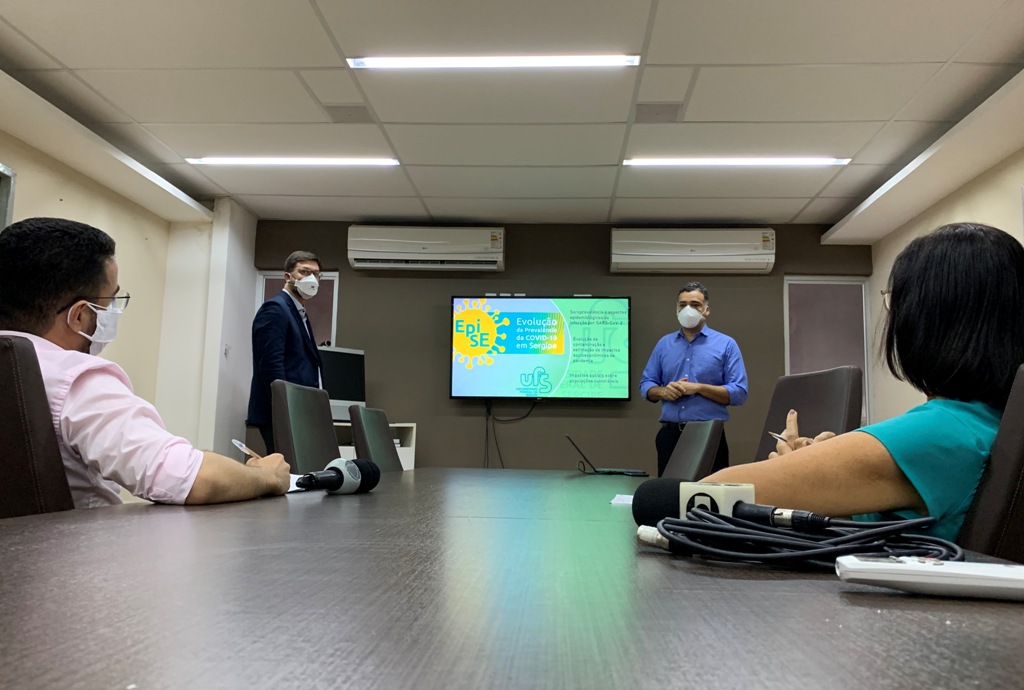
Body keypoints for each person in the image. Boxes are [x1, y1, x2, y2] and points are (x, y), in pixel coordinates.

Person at [703, 222, 1024, 543]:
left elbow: (707, 494)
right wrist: (806, 473)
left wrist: (797, 470)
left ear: (922, 320)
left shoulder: (940, 434)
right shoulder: (995, 427)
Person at [0, 217, 290, 508]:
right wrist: (265, 476)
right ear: (79, 316)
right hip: (83, 549)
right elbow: (192, 480)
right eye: (109, 300)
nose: (112, 311)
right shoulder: (75, 381)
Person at [639, 282, 748, 477]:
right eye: (683, 304)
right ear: (676, 309)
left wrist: (698, 388)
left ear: (706, 310)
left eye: (695, 304)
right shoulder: (664, 344)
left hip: (708, 435)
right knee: (670, 497)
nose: (688, 309)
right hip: (670, 435)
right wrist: (663, 391)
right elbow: (646, 384)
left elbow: (739, 392)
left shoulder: (726, 344)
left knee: (710, 498)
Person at [247, 250, 325, 453]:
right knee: (285, 475)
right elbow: (271, 367)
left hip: (299, 411)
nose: (311, 279)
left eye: (316, 274)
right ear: (287, 276)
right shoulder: (275, 309)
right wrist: (284, 412)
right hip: (282, 413)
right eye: (304, 272)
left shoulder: (298, 313)